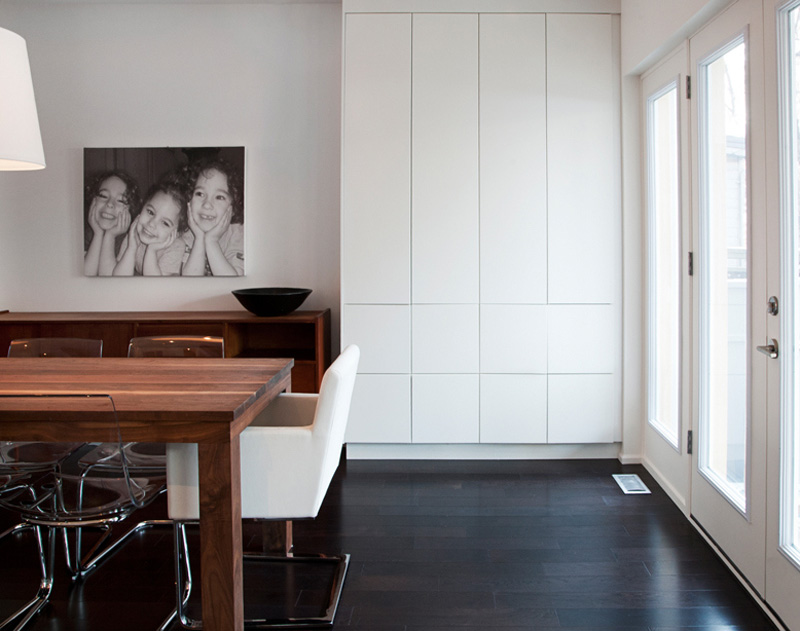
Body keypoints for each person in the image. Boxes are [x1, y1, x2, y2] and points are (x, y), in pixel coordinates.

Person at [112, 175, 188, 276]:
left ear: (177, 233)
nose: (151, 223)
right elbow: (119, 279)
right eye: (150, 212)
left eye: (165, 223)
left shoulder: (176, 246)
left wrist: (151, 251)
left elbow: (155, 285)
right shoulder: (134, 235)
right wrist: (131, 247)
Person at [181, 157, 244, 276]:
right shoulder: (188, 232)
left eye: (219, 197)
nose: (207, 204)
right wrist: (199, 238)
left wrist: (212, 241)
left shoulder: (238, 235)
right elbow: (190, 283)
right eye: (200, 194)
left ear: (233, 208)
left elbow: (233, 283)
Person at [83, 171, 141, 276]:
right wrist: (97, 234)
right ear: (93, 200)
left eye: (121, 200)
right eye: (103, 196)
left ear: (130, 210)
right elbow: (84, 275)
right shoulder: (83, 235)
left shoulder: (130, 242)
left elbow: (110, 281)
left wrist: (110, 236)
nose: (110, 204)